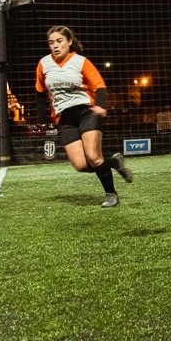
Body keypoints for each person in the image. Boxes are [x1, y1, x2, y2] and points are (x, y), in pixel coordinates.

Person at [35, 26, 132, 207]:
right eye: (51, 42)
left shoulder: (80, 61)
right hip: (65, 119)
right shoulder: (43, 64)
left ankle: (111, 194)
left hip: (87, 113)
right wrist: (42, 120)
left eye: (59, 41)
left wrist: (101, 105)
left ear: (69, 42)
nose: (55, 46)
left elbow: (100, 86)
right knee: (80, 165)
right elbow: (40, 93)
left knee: (94, 157)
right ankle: (113, 162)